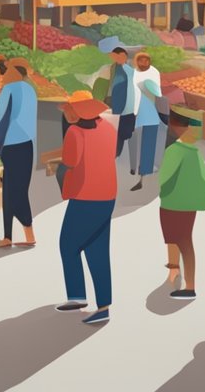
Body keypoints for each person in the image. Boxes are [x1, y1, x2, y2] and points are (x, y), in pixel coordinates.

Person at [57, 91, 118, 325]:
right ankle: (101, 305)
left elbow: (70, 162)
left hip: (85, 196)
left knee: (68, 245)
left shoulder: (74, 132)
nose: (67, 112)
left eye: (71, 108)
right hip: (107, 194)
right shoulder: (108, 129)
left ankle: (78, 295)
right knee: (98, 250)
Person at [158, 113, 205, 300]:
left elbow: (163, 177)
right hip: (189, 205)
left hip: (173, 202)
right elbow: (204, 179)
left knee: (181, 241)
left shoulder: (174, 151)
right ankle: (174, 269)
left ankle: (190, 286)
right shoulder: (194, 151)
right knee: (180, 238)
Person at [0, 58, 38, 249]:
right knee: (19, 188)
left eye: (8, 72)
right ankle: (24, 234)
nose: (4, 75)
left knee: (10, 189)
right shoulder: (30, 90)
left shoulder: (8, 90)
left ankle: (12, 235)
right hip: (27, 144)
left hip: (10, 144)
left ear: (15, 74)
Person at [131, 52, 163, 191]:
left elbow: (157, 92)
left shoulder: (154, 72)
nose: (144, 63)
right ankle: (138, 168)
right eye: (141, 61)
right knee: (136, 142)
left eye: (146, 61)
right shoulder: (133, 73)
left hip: (149, 112)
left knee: (148, 141)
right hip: (136, 112)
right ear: (137, 61)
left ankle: (146, 169)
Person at [106, 46, 139, 175]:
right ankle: (116, 155)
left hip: (127, 106)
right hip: (116, 102)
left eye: (115, 56)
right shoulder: (113, 67)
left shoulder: (130, 70)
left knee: (124, 132)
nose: (112, 58)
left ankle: (122, 158)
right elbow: (112, 84)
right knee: (117, 132)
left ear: (123, 56)